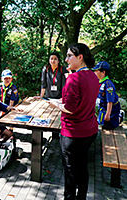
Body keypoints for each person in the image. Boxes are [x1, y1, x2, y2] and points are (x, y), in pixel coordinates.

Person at [49, 43, 99, 200]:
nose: (66, 59)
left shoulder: (74, 79)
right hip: (90, 130)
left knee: (70, 171)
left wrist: (55, 103)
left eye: (69, 55)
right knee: (82, 166)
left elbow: (70, 108)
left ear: (80, 57)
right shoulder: (93, 76)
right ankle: (82, 197)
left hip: (73, 132)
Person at [93, 61, 121, 129]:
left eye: (97, 70)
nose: (95, 72)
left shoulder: (108, 85)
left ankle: (120, 117)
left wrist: (108, 114)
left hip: (111, 110)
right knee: (100, 124)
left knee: (109, 126)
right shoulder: (99, 82)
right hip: (102, 108)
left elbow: (110, 101)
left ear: (103, 72)